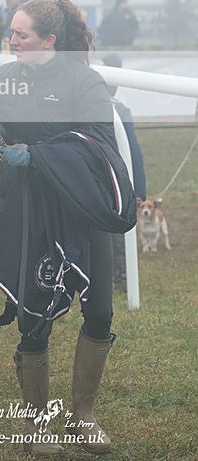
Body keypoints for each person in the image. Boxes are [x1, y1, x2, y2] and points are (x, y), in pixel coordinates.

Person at [0, 0, 136, 456]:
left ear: (50, 40)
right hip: (29, 208)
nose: (12, 41)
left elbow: (96, 144)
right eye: (11, 33)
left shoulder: (83, 81)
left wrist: (38, 155)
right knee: (32, 317)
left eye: (21, 35)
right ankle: (39, 428)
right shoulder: (7, 80)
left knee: (99, 311)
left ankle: (82, 417)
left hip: (80, 205)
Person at [101, 53, 147, 291]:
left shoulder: (119, 109)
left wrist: (139, 188)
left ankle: (119, 277)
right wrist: (139, 188)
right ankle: (119, 277)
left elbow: (133, 151)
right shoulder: (120, 108)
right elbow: (134, 151)